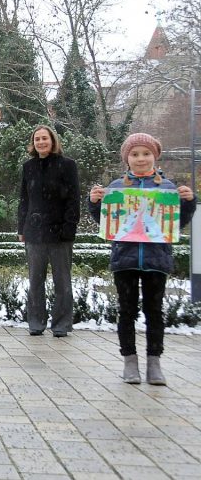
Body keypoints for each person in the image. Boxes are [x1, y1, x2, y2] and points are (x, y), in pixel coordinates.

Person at [89, 132, 196, 386]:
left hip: (156, 260)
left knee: (154, 311)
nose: (140, 158)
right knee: (126, 311)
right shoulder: (116, 187)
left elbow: (177, 224)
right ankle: (129, 361)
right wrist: (94, 203)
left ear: (155, 157)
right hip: (124, 259)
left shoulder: (168, 188)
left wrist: (190, 203)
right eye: (135, 154)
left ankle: (154, 362)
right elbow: (107, 223)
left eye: (146, 153)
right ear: (127, 158)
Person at [17, 124, 80, 338]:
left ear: (52, 141)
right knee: (35, 280)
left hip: (60, 232)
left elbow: (74, 200)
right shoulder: (28, 167)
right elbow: (24, 200)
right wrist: (21, 228)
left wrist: (69, 228)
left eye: (45, 138)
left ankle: (61, 324)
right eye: (37, 139)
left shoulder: (68, 165)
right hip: (34, 232)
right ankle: (36, 322)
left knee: (62, 281)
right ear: (33, 144)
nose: (41, 142)